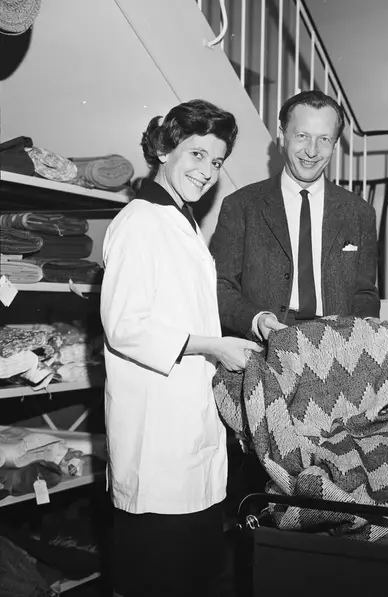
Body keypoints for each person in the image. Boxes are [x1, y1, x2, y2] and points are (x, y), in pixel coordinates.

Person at [100, 99, 260, 597]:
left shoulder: (180, 220)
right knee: (158, 575)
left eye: (217, 161)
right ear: (164, 150)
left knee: (194, 573)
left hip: (188, 424)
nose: (207, 171)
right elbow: (125, 326)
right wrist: (214, 346)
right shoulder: (140, 221)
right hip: (156, 437)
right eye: (197, 154)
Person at [210, 90, 380, 342]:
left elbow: (364, 291)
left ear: (335, 145)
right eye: (302, 136)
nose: (312, 151)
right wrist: (257, 320)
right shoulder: (241, 206)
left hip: (339, 342)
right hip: (265, 341)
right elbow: (220, 286)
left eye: (324, 139)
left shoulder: (360, 212)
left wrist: (367, 324)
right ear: (282, 136)